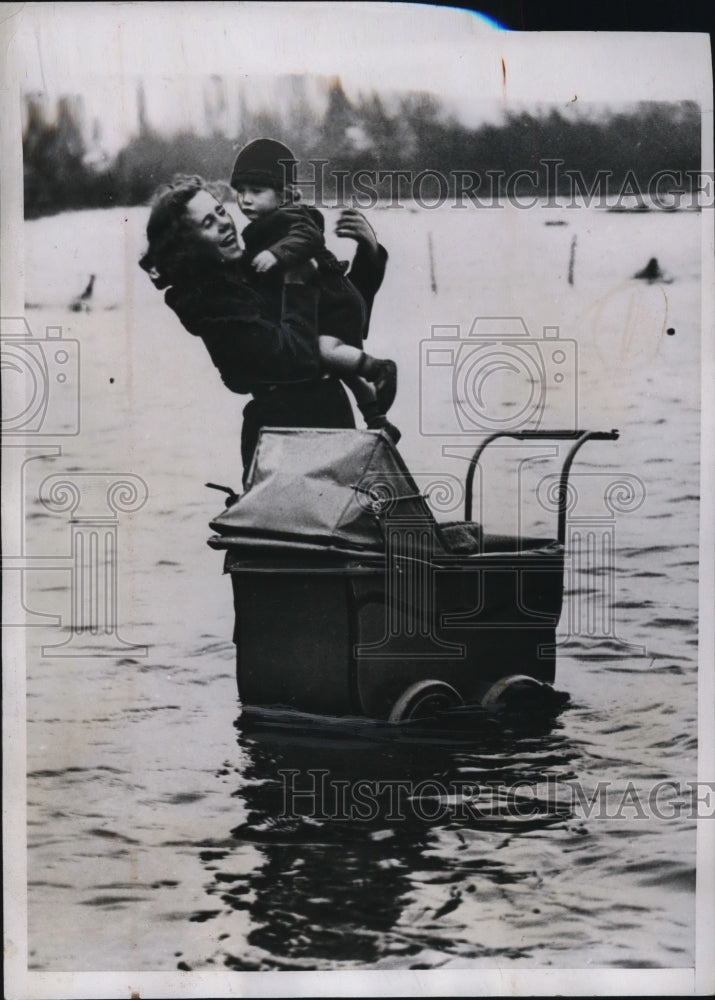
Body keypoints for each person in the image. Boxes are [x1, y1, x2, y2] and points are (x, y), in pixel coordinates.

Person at [138, 174, 389, 478]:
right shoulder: (211, 304)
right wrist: (298, 283)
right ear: (187, 246)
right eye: (207, 224)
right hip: (284, 441)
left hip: (327, 428)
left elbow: (337, 324)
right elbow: (296, 357)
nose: (224, 223)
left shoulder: (250, 271)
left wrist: (369, 254)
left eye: (220, 211)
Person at [230, 138, 398, 438]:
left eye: (256, 191)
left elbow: (329, 294)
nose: (245, 200)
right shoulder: (261, 240)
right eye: (239, 192)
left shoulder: (285, 228)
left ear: (284, 195)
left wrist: (370, 252)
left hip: (311, 405)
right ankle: (377, 419)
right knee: (337, 360)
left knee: (329, 352)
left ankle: (377, 378)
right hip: (283, 408)